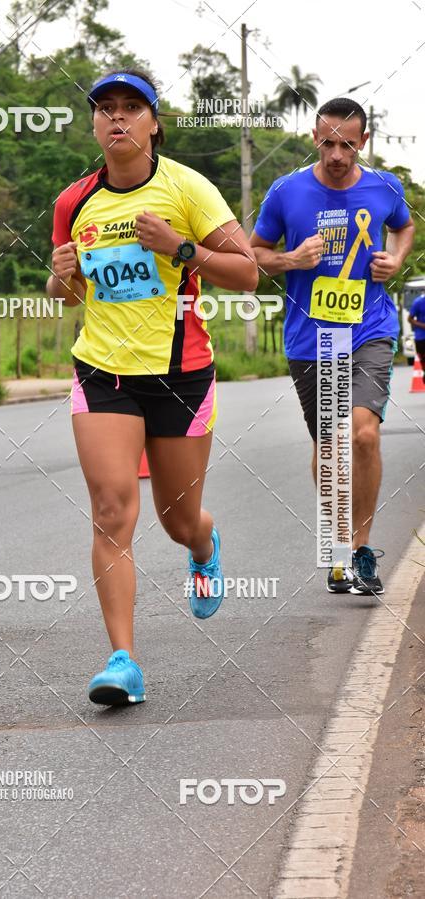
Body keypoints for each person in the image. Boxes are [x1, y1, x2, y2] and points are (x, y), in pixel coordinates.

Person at [47, 69, 258, 705]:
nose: (118, 119)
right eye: (105, 108)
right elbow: (69, 295)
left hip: (181, 372)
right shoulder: (73, 203)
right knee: (112, 509)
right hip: (103, 371)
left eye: (131, 108)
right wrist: (61, 278)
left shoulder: (187, 187)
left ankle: (202, 542)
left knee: (175, 517)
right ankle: (123, 660)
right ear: (93, 124)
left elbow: (247, 274)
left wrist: (181, 247)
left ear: (154, 123)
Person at [251, 97, 414, 596]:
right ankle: (339, 543)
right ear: (313, 138)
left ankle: (360, 548)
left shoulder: (385, 186)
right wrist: (292, 259)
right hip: (312, 337)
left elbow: (403, 226)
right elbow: (254, 256)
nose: (336, 153)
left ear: (363, 141)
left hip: (369, 327)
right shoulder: (286, 191)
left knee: (363, 435)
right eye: (327, 142)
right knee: (330, 447)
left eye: (347, 143)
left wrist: (394, 258)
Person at [407, 291, 425, 382]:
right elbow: (409, 319)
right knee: (423, 360)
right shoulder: (418, 302)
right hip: (421, 337)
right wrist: (422, 325)